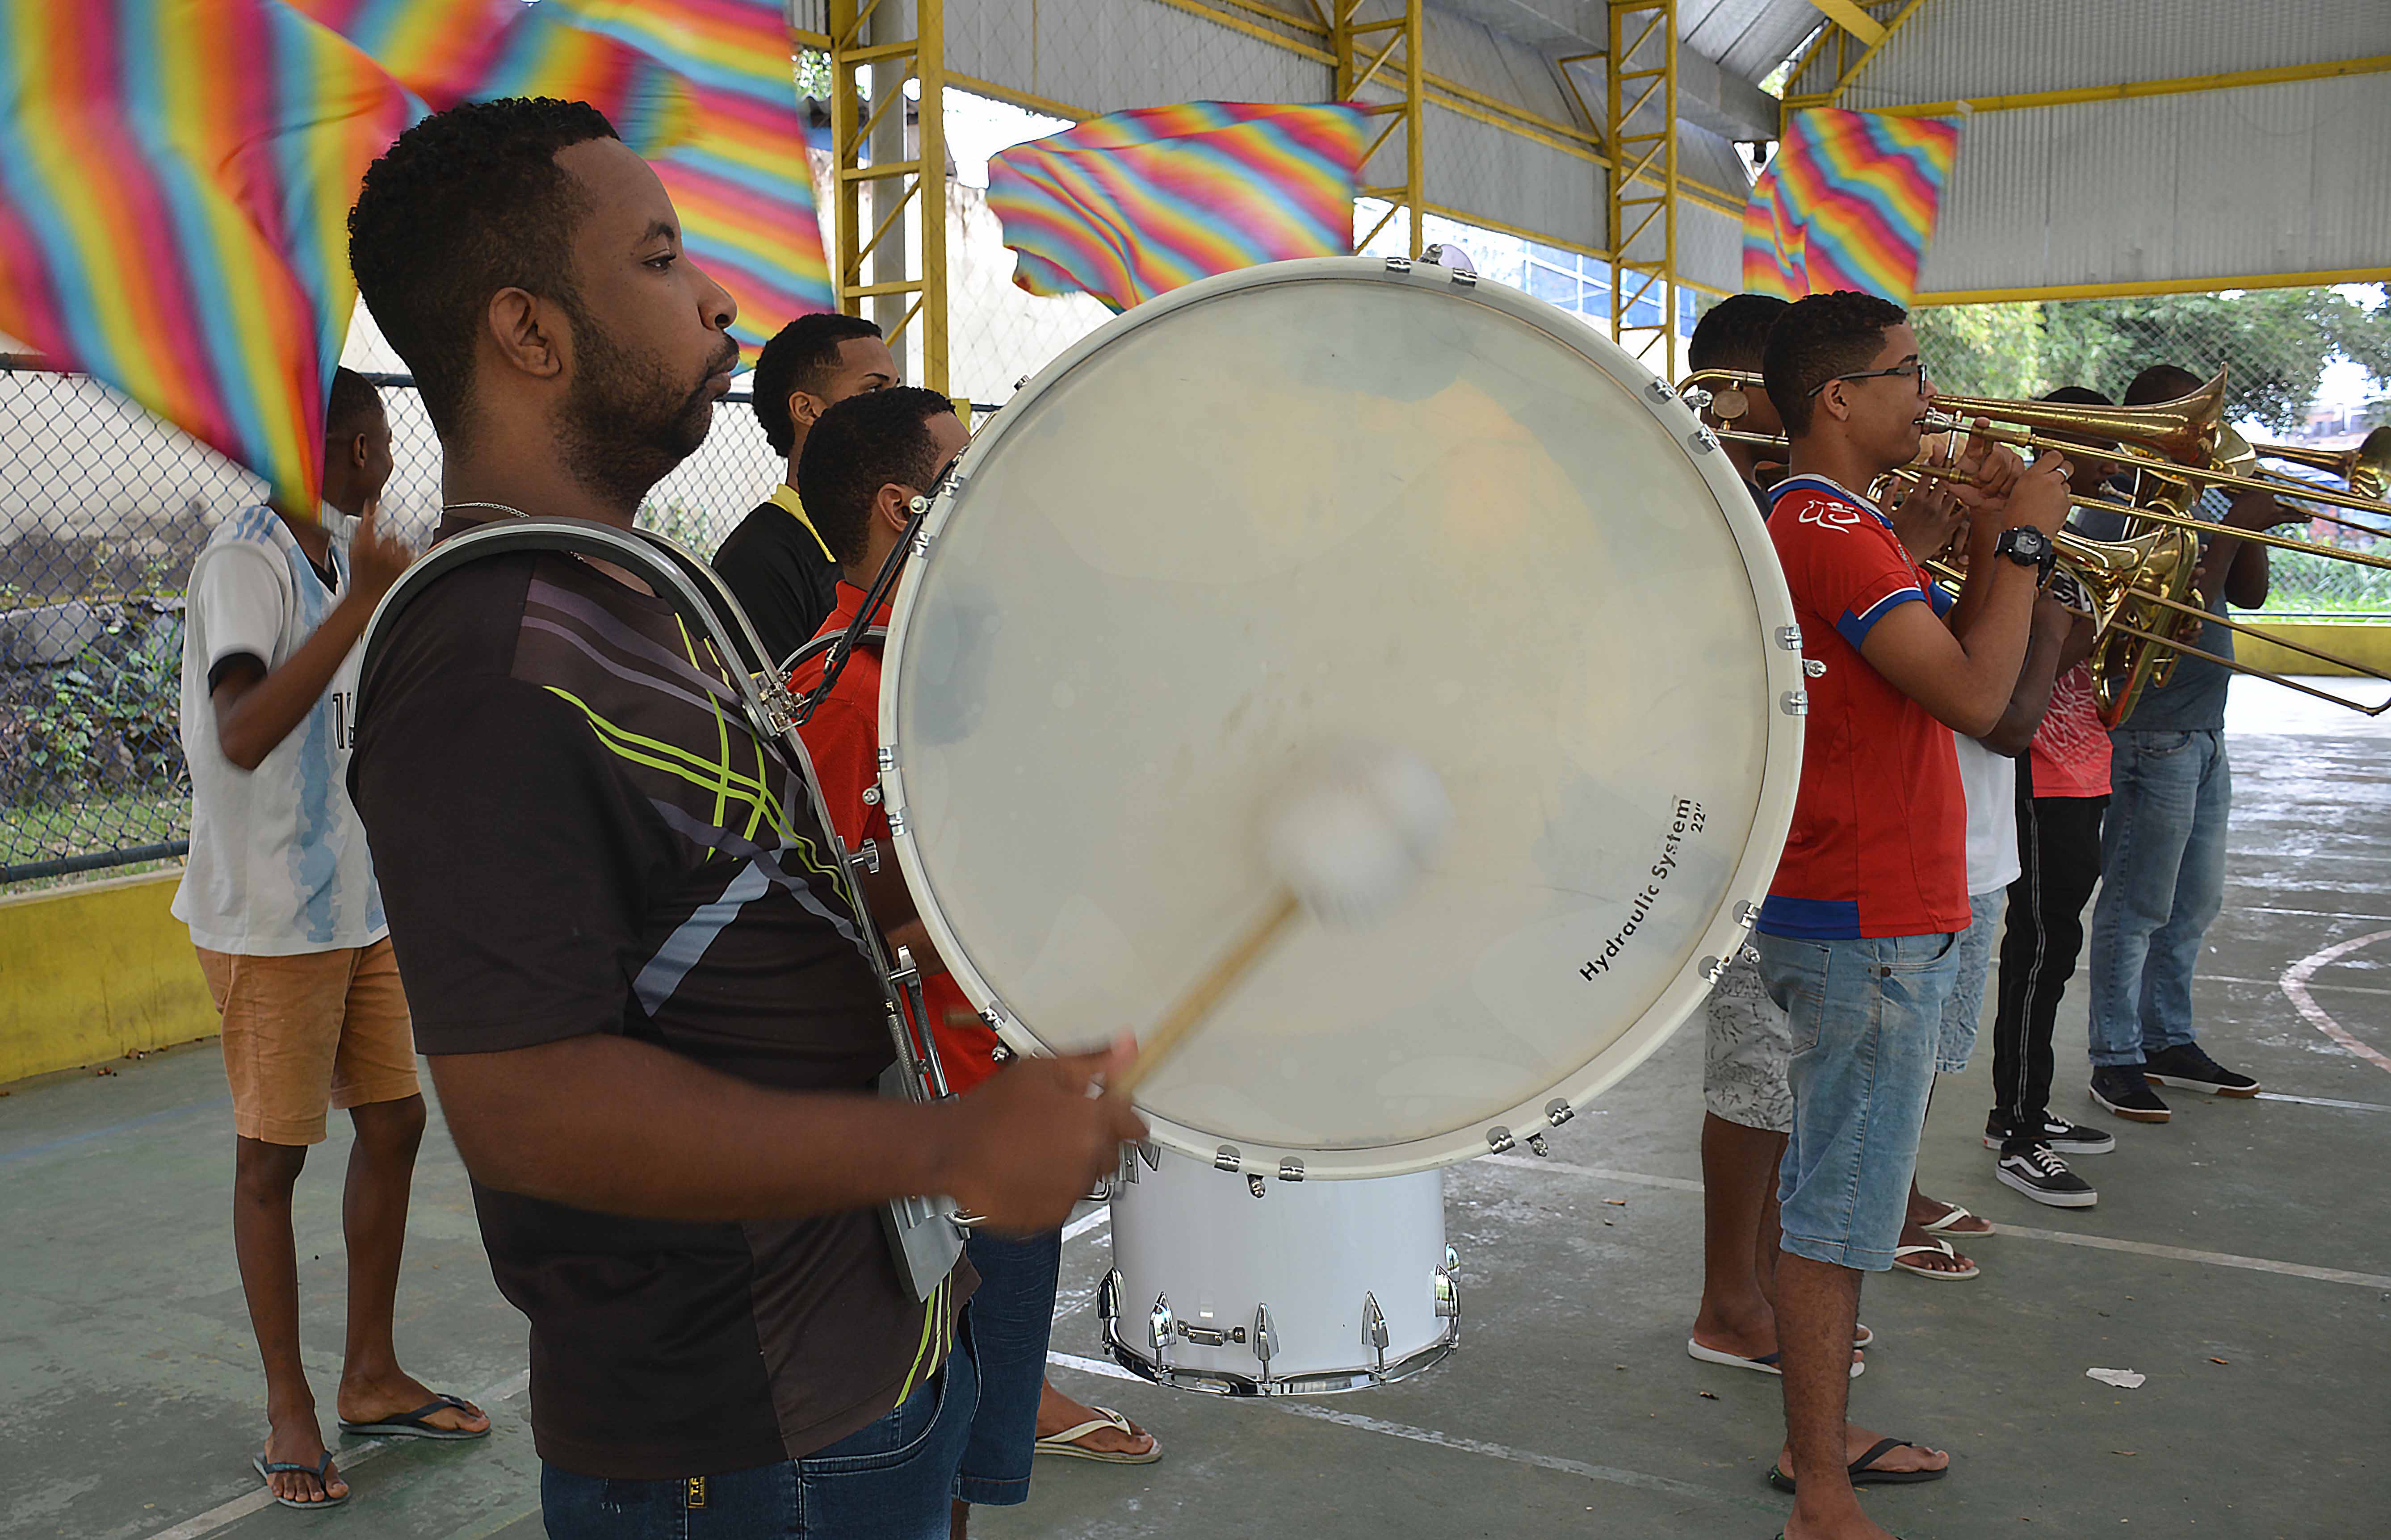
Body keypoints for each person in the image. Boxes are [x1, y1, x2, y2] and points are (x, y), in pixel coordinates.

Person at [343, 97, 1143, 1540]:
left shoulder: (632, 599)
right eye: (657, 259)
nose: (717, 297)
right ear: (529, 332)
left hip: (858, 1355)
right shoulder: (487, 655)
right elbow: (531, 1106)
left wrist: (949, 871)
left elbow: (736, 919)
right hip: (734, 1440)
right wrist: (946, 1150)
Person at [790, 389, 1160, 1539]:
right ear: (904, 504)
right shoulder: (847, 697)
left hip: (996, 1102)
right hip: (930, 1127)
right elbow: (826, 938)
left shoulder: (954, 682)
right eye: (965, 466)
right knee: (920, 1450)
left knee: (964, 1455)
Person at [1752, 290, 2071, 1540]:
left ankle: (1816, 1449)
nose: (1928, 394)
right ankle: (1820, 1489)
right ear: (1840, 399)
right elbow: (1991, 704)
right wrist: (2029, 540)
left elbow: (1958, 672)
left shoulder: (1835, 520)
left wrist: (1987, 541)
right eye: (1910, 371)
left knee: (1839, 1195)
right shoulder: (1830, 527)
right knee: (1837, 1217)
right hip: (1867, 918)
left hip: (1876, 907)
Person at [175, 366, 490, 1510]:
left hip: (355, 897)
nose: (394, 459)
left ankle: (367, 1371)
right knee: (274, 1156)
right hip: (270, 913)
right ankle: (288, 1402)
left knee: (396, 1120)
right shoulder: (246, 564)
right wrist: (360, 603)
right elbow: (248, 729)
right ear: (347, 451)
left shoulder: (338, 562)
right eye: (381, 439)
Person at [2074, 364, 2305, 1123]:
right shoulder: (2111, 514)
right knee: (2136, 904)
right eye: (2186, 425)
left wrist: (2248, 521)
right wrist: (2230, 514)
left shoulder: (2203, 499)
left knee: (2193, 904)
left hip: (2207, 731)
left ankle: (2167, 1038)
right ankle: (2115, 1056)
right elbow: (2175, 614)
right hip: (2152, 736)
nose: (2201, 438)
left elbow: (2248, 594)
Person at [1984, 390, 2130, 1202]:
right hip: (2037, 774)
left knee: (2055, 950)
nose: (2115, 466)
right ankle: (2019, 1131)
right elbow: (2011, 673)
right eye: (2104, 447)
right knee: (2038, 953)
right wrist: (2061, 635)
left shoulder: (2071, 546)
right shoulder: (2021, 543)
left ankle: (2021, 1108)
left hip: (2082, 767)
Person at [713, 313, 898, 663]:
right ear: (807, 410)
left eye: (896, 389)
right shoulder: (756, 561)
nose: (897, 408)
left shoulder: (904, 536)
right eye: (874, 389)